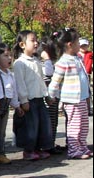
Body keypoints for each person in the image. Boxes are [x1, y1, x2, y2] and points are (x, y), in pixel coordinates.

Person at [48, 28, 93, 159]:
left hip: (82, 98)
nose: (80, 44)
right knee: (75, 125)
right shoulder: (63, 62)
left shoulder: (78, 58)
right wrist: (50, 96)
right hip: (72, 100)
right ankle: (74, 150)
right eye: (78, 41)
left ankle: (82, 147)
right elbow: (55, 82)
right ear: (70, 44)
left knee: (84, 125)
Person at [12, 30, 54, 161]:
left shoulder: (36, 61)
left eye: (36, 40)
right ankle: (28, 150)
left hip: (39, 99)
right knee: (30, 127)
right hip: (29, 101)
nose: (36, 43)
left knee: (42, 125)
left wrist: (46, 95)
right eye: (32, 40)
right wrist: (23, 100)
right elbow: (20, 83)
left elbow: (41, 80)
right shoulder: (19, 63)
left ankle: (39, 148)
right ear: (22, 44)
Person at [38, 36, 62, 154]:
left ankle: (51, 143)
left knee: (54, 121)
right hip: (47, 97)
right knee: (48, 122)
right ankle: (47, 145)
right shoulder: (42, 63)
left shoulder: (51, 62)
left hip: (55, 96)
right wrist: (47, 59)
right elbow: (49, 73)